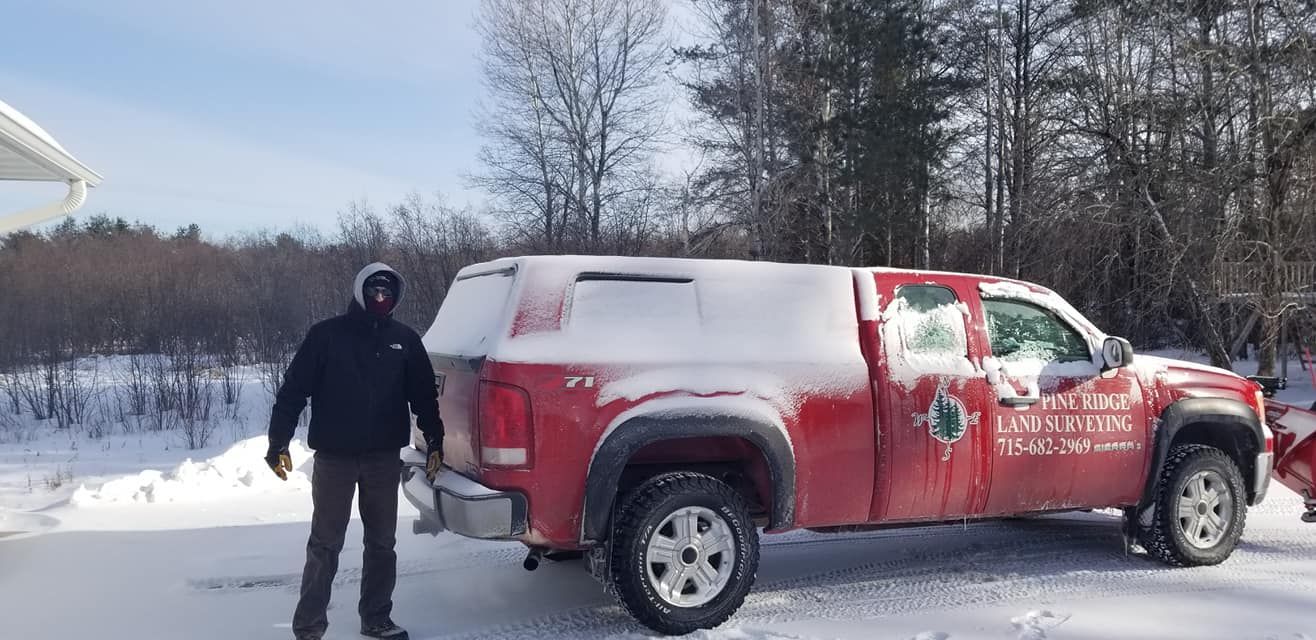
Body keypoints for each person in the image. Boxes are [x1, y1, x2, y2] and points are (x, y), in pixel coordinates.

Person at [265, 262, 445, 640]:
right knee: (325, 544)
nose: (381, 298)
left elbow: (424, 397)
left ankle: (376, 617)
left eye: (388, 293)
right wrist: (278, 440)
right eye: (374, 292)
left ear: (396, 297)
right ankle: (309, 627)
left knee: (382, 543)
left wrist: (435, 440)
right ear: (361, 292)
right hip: (335, 459)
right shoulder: (326, 336)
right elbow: (294, 390)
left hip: (382, 459)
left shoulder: (405, 340)